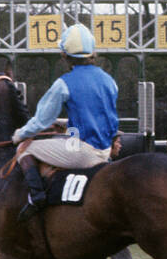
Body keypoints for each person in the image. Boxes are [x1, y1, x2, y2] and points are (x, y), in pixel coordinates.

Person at [11, 22, 118, 221]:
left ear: (64, 55)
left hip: (82, 151)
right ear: (92, 52)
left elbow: (41, 121)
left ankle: (37, 197)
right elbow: (100, 116)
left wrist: (20, 134)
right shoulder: (109, 80)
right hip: (106, 150)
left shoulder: (63, 83)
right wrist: (66, 123)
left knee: (26, 149)